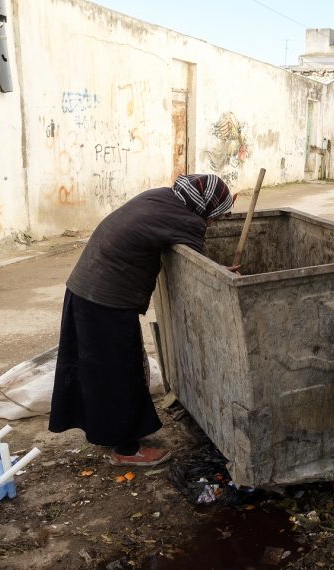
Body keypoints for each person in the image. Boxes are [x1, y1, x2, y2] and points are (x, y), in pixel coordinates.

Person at [49, 173, 236, 466]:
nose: (213, 223)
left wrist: (219, 266)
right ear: (205, 207)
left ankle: (112, 433)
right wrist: (225, 273)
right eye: (216, 216)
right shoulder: (187, 221)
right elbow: (200, 269)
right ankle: (126, 450)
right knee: (119, 372)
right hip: (105, 299)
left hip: (85, 289)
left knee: (100, 371)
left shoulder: (162, 196)